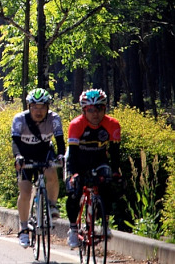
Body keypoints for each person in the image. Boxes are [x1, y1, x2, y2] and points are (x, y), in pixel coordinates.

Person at [65, 89, 122, 248]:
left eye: (99, 109)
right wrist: (74, 174)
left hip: (99, 159)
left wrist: (116, 172)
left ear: (105, 109)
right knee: (74, 192)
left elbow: (114, 153)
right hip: (77, 159)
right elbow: (73, 155)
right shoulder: (76, 125)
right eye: (90, 110)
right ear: (84, 110)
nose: (95, 113)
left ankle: (104, 222)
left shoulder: (112, 124)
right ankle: (73, 229)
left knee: (108, 183)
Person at [11, 88, 65, 248]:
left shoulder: (54, 118)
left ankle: (52, 205)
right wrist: (18, 157)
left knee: (51, 172)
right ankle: (23, 228)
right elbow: (14, 142)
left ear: (48, 107)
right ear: (29, 106)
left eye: (42, 107)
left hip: (44, 153)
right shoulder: (20, 119)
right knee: (25, 191)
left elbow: (60, 140)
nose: (38, 111)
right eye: (35, 107)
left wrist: (61, 155)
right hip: (24, 156)